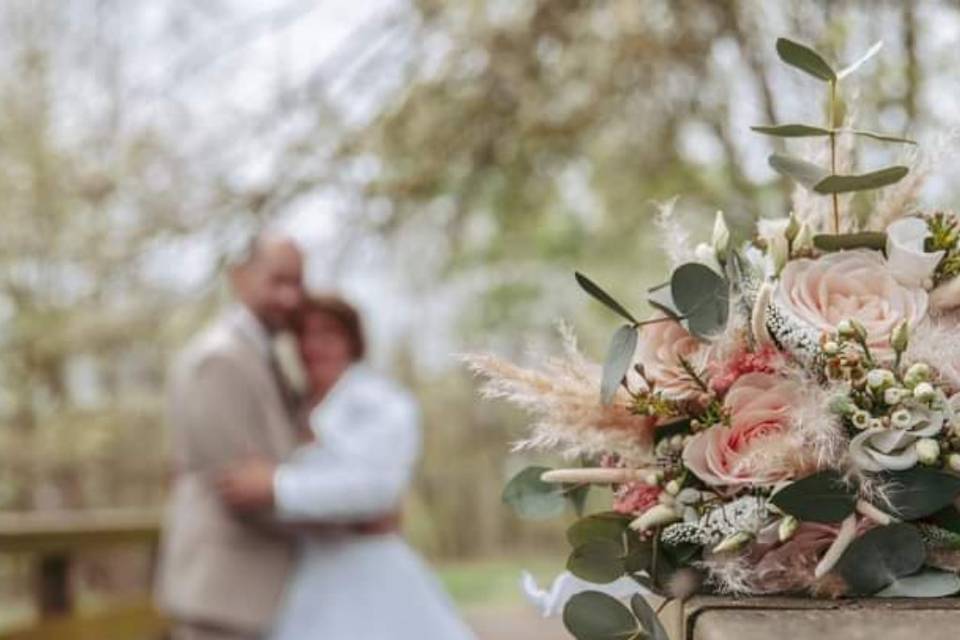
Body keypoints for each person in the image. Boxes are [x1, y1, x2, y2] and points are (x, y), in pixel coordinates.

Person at [217, 295, 476, 640]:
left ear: (352, 342)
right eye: (304, 335)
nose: (313, 346)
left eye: (327, 334)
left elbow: (376, 490)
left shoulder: (381, 402)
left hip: (369, 575)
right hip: (305, 574)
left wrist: (276, 486)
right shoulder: (291, 406)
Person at [156, 232, 306, 640]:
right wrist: (341, 517)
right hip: (222, 595)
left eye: (297, 283)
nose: (290, 298)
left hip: (252, 595)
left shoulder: (265, 356)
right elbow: (241, 485)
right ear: (240, 277)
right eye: (277, 281)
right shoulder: (218, 359)